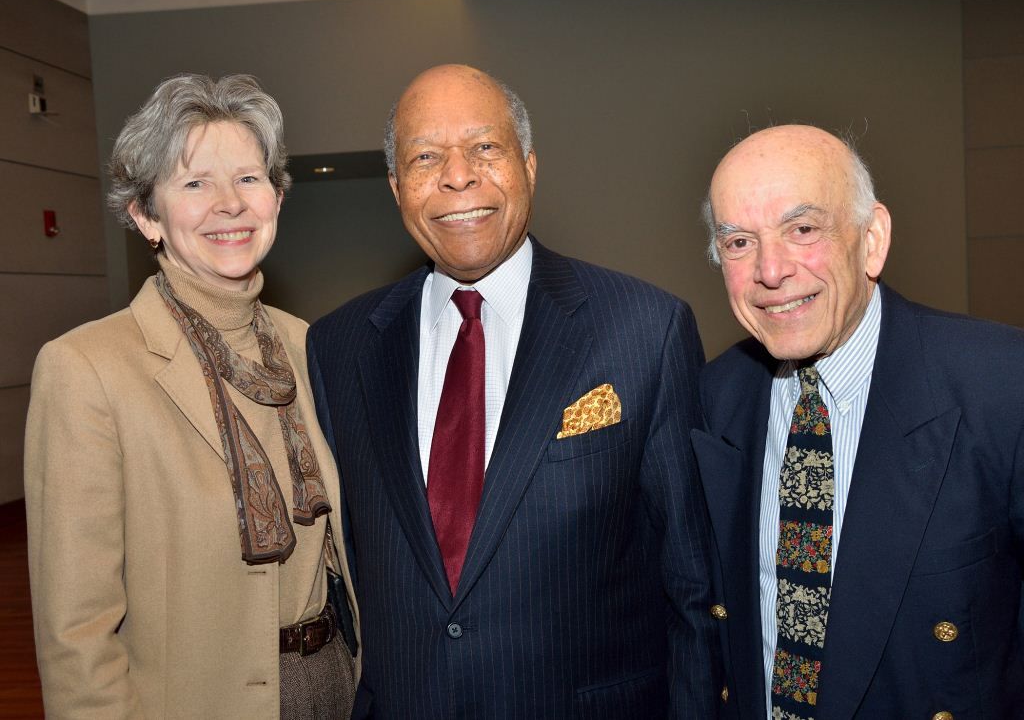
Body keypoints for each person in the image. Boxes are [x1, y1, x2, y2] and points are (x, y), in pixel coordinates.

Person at [307, 64, 720, 718]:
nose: (458, 175)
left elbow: (696, 591)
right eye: (425, 157)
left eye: (484, 147)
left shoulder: (646, 329)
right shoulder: (339, 347)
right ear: (396, 187)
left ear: (529, 165)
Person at [24, 74, 357, 719]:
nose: (229, 204)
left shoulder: (311, 348)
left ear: (277, 200)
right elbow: (75, 632)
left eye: (250, 179)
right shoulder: (85, 369)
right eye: (195, 182)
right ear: (145, 215)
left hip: (338, 689)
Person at [693, 124, 1024, 719]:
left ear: (872, 240)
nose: (771, 271)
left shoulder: (1001, 386)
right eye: (739, 243)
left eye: (802, 230)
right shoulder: (710, 403)